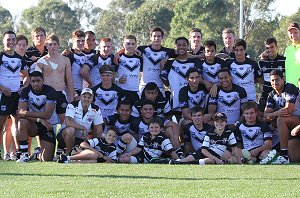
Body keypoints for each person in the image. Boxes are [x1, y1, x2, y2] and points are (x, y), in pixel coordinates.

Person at [0, 31, 29, 160]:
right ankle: (2, 153)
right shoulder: (1, 56)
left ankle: (18, 153)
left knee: (17, 125)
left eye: (13, 39)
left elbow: (27, 75)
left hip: (15, 96)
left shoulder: (19, 58)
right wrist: (3, 88)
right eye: (8, 40)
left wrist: (22, 88)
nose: (11, 42)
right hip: (3, 95)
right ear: (3, 41)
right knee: (1, 125)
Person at [16, 71, 57, 162]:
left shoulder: (50, 91)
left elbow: (47, 114)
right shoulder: (25, 91)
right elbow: (20, 113)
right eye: (33, 81)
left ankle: (37, 153)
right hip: (33, 124)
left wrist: (26, 113)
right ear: (30, 82)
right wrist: (39, 120)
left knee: (46, 159)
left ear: (43, 81)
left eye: (38, 81)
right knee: (21, 122)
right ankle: (24, 155)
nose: (36, 83)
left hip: (48, 126)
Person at [36, 34, 74, 123]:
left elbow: (69, 80)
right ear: (46, 46)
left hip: (61, 93)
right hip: (47, 95)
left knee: (65, 123)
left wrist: (71, 98)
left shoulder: (65, 60)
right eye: (50, 44)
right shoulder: (41, 61)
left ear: (58, 45)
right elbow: (37, 81)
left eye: (55, 44)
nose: (52, 46)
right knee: (49, 124)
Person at [161, 37, 202, 121]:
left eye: (184, 45)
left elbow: (200, 78)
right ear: (175, 47)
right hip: (176, 103)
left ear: (188, 46)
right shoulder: (169, 63)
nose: (181, 47)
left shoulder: (195, 61)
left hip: (195, 103)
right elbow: (165, 81)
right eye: (179, 45)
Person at [264, 69, 300, 163]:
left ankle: (283, 154)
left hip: (297, 121)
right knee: (294, 158)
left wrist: (274, 115)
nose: (274, 82)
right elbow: (266, 116)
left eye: (277, 80)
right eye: (272, 80)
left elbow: (288, 111)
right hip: (291, 126)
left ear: (283, 79)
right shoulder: (272, 95)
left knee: (281, 120)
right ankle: (286, 156)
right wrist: (276, 113)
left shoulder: (289, 87)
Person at [56, 88, 103, 154]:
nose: (86, 99)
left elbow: (98, 128)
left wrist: (94, 144)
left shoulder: (96, 109)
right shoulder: (72, 105)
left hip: (81, 139)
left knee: (99, 130)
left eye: (89, 97)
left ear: (92, 99)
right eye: (84, 97)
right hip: (64, 136)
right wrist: (83, 128)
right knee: (70, 130)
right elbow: (68, 122)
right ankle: (68, 153)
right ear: (80, 97)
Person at [138, 27, 176, 95]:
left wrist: (197, 56)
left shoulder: (167, 51)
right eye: (154, 36)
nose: (156, 38)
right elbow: (129, 50)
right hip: (144, 86)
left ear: (162, 37)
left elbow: (183, 52)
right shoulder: (142, 49)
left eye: (159, 36)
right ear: (150, 37)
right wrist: (117, 54)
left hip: (159, 87)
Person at [258, 38, 286, 116]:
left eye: (272, 47)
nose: (270, 50)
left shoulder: (284, 61)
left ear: (276, 47)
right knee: (261, 117)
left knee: (281, 117)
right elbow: (259, 78)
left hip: (282, 96)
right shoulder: (261, 62)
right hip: (265, 95)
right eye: (267, 48)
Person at [115, 35, 142, 104]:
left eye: (133, 44)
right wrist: (117, 80)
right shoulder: (118, 57)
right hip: (122, 91)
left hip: (135, 92)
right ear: (123, 44)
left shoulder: (140, 58)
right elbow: (109, 75)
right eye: (128, 43)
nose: (130, 46)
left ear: (136, 45)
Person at [65, 30, 87, 97]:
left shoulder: (84, 56)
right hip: (70, 91)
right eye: (78, 41)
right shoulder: (68, 55)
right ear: (73, 41)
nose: (81, 43)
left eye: (83, 41)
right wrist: (74, 94)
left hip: (81, 91)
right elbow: (64, 76)